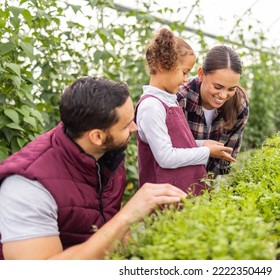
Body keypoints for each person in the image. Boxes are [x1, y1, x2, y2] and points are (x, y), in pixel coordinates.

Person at [0, 77, 187, 260]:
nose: (135, 127)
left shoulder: (105, 156)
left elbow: (100, 233)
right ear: (97, 136)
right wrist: (127, 216)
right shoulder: (28, 186)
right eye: (126, 124)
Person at [135, 28, 235, 196]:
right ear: (162, 66)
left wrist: (203, 144)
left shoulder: (169, 100)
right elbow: (166, 157)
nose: (187, 79)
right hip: (164, 198)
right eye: (184, 72)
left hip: (180, 193)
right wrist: (206, 151)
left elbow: (175, 145)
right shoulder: (151, 106)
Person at [177, 45, 249, 177]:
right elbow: (173, 149)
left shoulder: (240, 104)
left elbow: (227, 157)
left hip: (211, 181)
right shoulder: (180, 98)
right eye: (217, 86)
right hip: (178, 177)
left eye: (231, 89)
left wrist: (210, 185)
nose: (223, 95)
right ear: (201, 74)